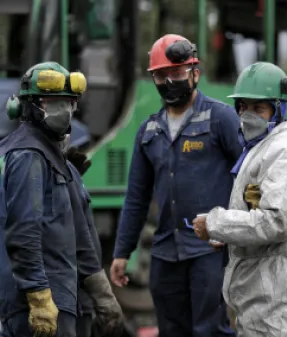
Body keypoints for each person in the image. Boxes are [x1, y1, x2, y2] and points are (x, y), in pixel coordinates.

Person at [109, 34, 241, 337]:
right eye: (161, 75)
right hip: (166, 250)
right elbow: (136, 197)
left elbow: (249, 175)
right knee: (171, 329)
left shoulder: (220, 118)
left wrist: (233, 229)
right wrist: (122, 252)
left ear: (195, 73)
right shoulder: (149, 130)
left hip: (209, 248)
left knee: (210, 329)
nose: (170, 82)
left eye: (177, 74)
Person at [192, 62, 287, 337]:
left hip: (278, 292)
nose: (248, 115)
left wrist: (216, 224)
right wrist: (230, 235)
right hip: (264, 291)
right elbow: (261, 211)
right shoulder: (264, 147)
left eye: (259, 108)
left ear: (279, 108)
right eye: (243, 107)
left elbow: (275, 221)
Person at [0, 61, 121, 337]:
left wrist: (101, 293)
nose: (62, 111)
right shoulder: (28, 156)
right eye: (51, 103)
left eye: (68, 103)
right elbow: (23, 233)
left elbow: (81, 234)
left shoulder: (59, 162)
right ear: (28, 106)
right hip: (38, 303)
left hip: (64, 297)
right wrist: (38, 297)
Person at [65, 147, 125, 337]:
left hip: (74, 296)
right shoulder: (36, 166)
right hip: (68, 297)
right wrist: (103, 295)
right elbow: (80, 242)